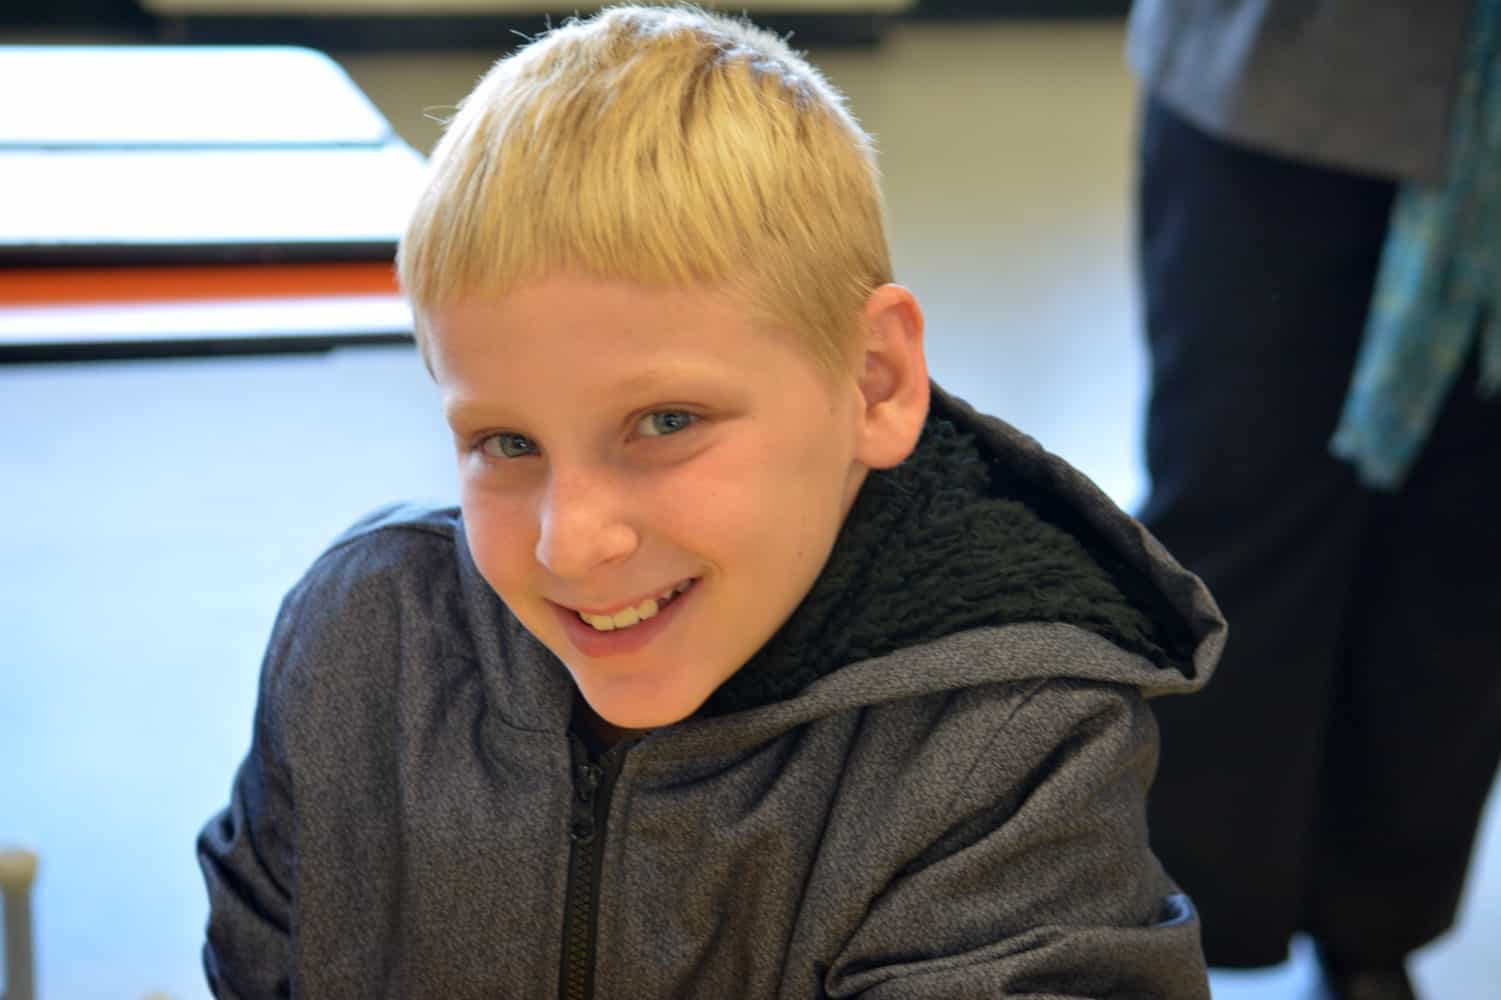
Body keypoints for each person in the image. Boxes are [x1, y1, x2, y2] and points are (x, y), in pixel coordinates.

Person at [197, 6, 1225, 996]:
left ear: (874, 383)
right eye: (506, 444)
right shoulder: (364, 641)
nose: (571, 543)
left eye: (665, 422)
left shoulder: (1008, 750)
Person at [1129, 2, 1501, 998]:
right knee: (1231, 521)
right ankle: (1153, 926)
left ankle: (1373, 932)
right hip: (1278, 73)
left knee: (1469, 551)